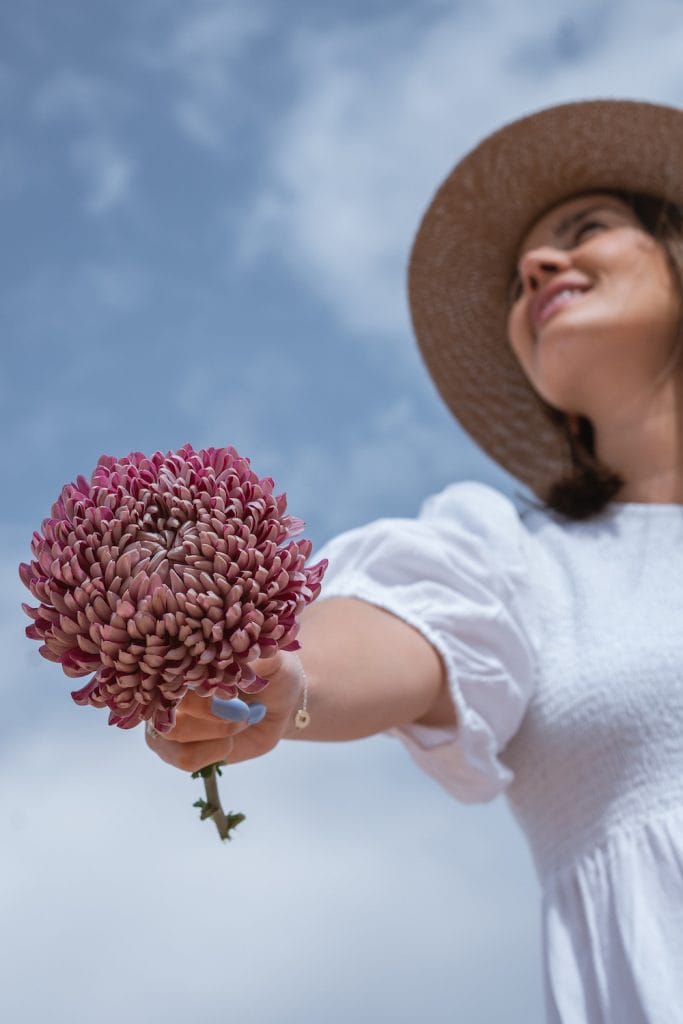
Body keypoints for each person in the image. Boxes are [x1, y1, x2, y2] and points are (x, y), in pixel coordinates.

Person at [146, 99, 683, 1023]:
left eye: (586, 228)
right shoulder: (516, 554)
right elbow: (399, 632)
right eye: (521, 276)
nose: (536, 266)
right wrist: (274, 676)